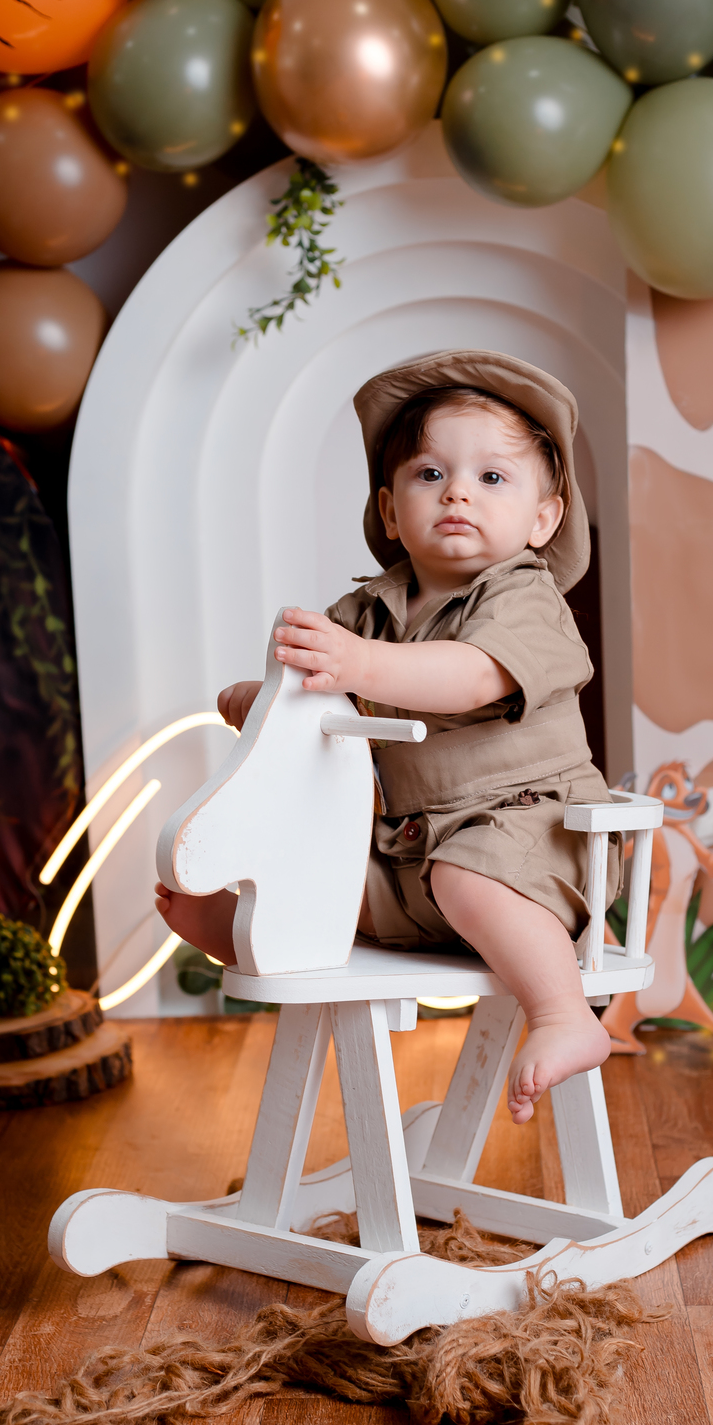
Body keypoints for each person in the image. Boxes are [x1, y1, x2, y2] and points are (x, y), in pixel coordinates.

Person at [155, 350, 618, 1124]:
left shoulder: (526, 599)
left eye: (492, 477)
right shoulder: (368, 612)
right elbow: (322, 691)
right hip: (412, 846)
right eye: (430, 474)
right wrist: (272, 700)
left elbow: (471, 676)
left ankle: (563, 1014)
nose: (458, 492)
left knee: (468, 878)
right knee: (332, 875)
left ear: (543, 519)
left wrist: (357, 665)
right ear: (390, 510)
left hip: (531, 835)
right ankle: (245, 931)